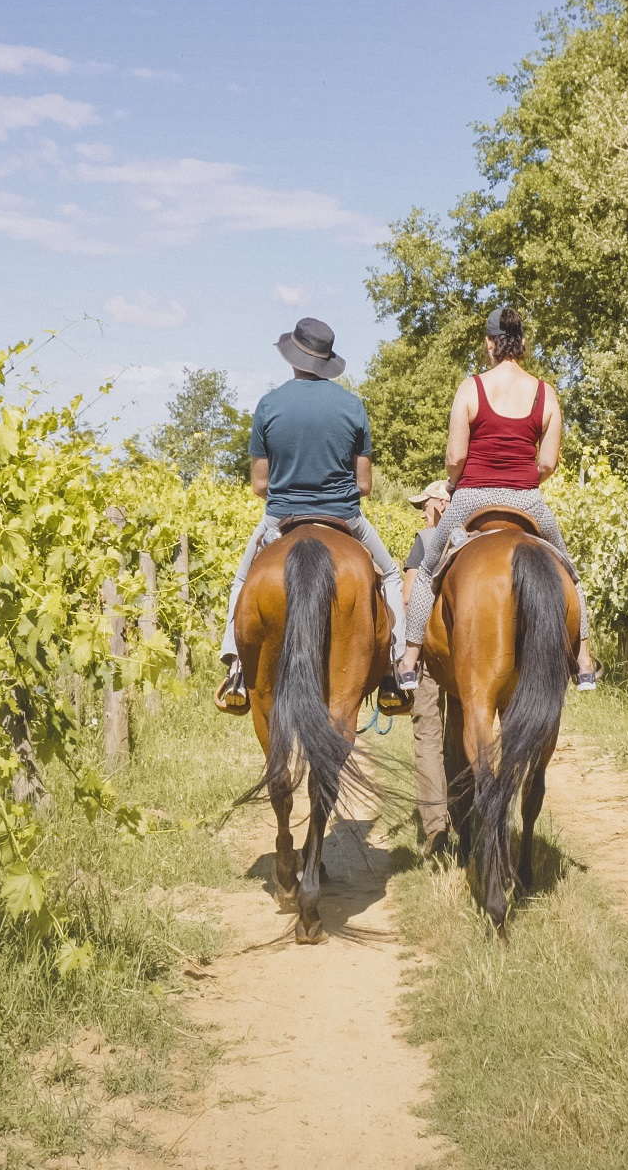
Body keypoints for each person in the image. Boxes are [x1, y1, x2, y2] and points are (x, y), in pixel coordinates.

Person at [395, 306, 597, 691]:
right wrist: (522, 478)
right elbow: (549, 462)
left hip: (472, 496)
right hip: (527, 499)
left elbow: (455, 457)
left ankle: (409, 657)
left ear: (490, 344)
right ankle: (584, 659)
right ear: (522, 343)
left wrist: (457, 484)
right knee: (569, 572)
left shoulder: (471, 388)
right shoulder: (545, 393)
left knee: (427, 571)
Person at [215, 317, 406, 712]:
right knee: (389, 576)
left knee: (241, 579)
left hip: (281, 517)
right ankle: (393, 672)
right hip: (344, 516)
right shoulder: (352, 406)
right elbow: (365, 485)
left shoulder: (269, 404)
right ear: (326, 361)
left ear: (294, 357)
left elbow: (259, 485)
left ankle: (235, 670)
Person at [403, 479, 452, 855]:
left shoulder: (425, 540)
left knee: (428, 735)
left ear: (441, 502)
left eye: (426, 503)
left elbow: (406, 597)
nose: (423, 510)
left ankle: (436, 826)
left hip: (429, 657)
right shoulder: (473, 538)